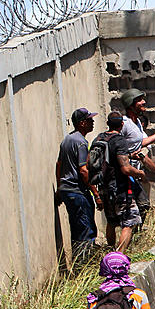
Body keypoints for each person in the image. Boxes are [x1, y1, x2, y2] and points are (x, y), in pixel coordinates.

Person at [95, 111, 146, 251]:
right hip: (120, 189)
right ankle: (119, 256)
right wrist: (140, 173)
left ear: (107, 124)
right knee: (128, 222)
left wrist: (129, 155)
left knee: (111, 222)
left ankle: (110, 253)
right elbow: (125, 169)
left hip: (104, 187)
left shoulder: (99, 138)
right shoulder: (119, 140)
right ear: (122, 124)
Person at [119, 89, 155, 221]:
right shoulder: (124, 124)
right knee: (140, 207)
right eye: (139, 100)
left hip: (137, 171)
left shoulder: (136, 122)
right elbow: (118, 147)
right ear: (131, 104)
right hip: (127, 173)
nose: (144, 102)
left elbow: (140, 143)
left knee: (142, 206)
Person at [56, 108, 102, 262]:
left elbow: (59, 164)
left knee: (76, 229)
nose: (92, 122)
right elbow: (83, 171)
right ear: (82, 123)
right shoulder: (81, 143)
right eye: (89, 120)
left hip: (67, 191)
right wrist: (96, 194)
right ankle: (84, 266)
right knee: (86, 230)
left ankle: (78, 265)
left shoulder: (67, 140)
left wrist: (59, 188)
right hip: (78, 192)